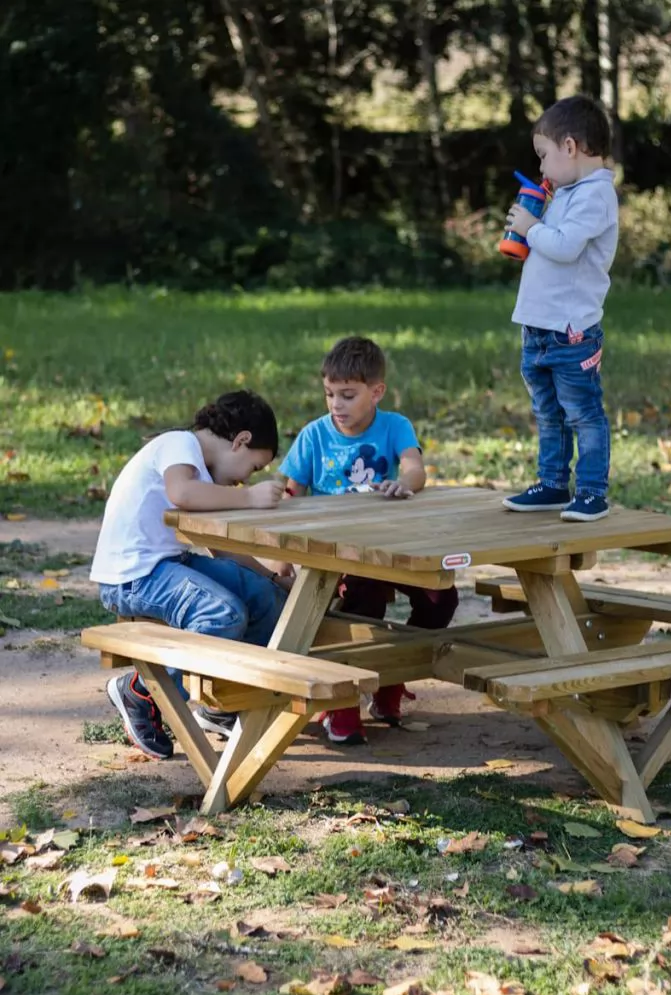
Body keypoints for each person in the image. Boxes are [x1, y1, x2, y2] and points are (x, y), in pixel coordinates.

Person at [276, 335, 459, 744]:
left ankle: (392, 679)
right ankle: (341, 706)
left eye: (347, 395)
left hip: (392, 546)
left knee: (440, 598)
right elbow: (292, 495)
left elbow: (415, 469)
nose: (336, 405)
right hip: (341, 554)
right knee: (365, 605)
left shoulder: (395, 426)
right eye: (329, 394)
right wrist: (283, 553)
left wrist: (403, 483)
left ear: (376, 392)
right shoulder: (314, 436)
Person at [90, 390, 288, 760]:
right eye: (253, 469)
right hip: (133, 575)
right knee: (221, 614)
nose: (246, 481)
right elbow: (180, 492)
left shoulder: (203, 477)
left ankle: (223, 702)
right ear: (241, 441)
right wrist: (250, 498)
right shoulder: (179, 444)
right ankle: (142, 693)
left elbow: (221, 546)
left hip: (166, 566)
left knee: (263, 598)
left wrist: (275, 578)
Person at [502, 95, 618, 523]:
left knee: (582, 413)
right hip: (538, 329)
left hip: (571, 333)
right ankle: (552, 483)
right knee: (547, 413)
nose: (542, 169)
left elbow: (566, 247)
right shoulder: (569, 191)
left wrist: (532, 228)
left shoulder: (597, 196)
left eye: (544, 156)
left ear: (570, 147)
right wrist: (533, 223)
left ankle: (591, 491)